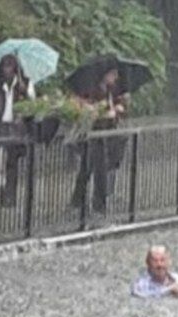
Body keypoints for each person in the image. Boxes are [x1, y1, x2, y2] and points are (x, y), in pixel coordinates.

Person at [71, 67, 130, 214]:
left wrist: (119, 108)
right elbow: (85, 108)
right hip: (93, 134)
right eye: (112, 74)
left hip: (107, 133)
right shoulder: (93, 90)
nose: (115, 77)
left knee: (90, 168)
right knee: (96, 169)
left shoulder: (113, 90)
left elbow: (120, 106)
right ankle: (97, 204)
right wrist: (102, 113)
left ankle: (81, 201)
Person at [0, 54, 35, 206]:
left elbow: (33, 105)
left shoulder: (26, 82)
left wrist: (25, 92)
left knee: (12, 161)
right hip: (1, 124)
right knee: (0, 159)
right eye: (5, 67)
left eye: (10, 67)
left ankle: (9, 195)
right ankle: (1, 190)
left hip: (17, 126)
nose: (7, 71)